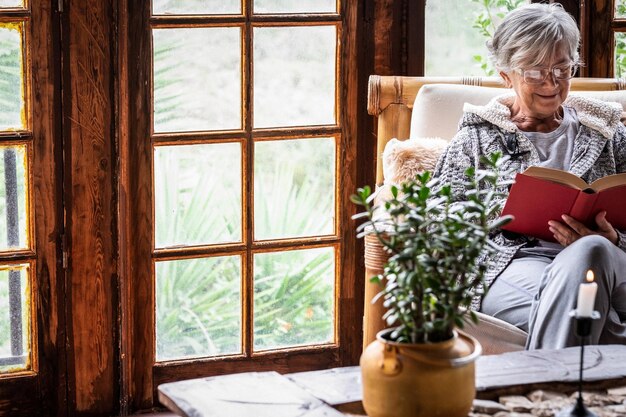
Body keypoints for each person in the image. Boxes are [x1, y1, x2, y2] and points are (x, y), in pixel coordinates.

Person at [432, 2, 626, 349]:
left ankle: (548, 392)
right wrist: (496, 214)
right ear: (506, 75)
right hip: (513, 266)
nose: (551, 83)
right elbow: (438, 221)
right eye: (535, 72)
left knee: (591, 249)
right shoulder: (476, 139)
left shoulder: (610, 136)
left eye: (562, 69)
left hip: (610, 265)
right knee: (592, 313)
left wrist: (614, 240)